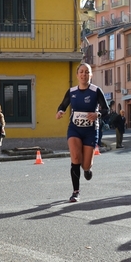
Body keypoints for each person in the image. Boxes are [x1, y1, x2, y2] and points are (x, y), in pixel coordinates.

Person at [56, 63, 109, 202]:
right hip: (75, 128)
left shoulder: (96, 91)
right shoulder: (72, 91)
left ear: (91, 75)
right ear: (77, 75)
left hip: (90, 130)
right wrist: (60, 111)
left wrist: (97, 114)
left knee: (85, 164)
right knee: (75, 158)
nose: (84, 74)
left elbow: (106, 109)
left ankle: (87, 169)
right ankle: (75, 192)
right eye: (81, 72)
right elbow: (63, 105)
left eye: (87, 72)